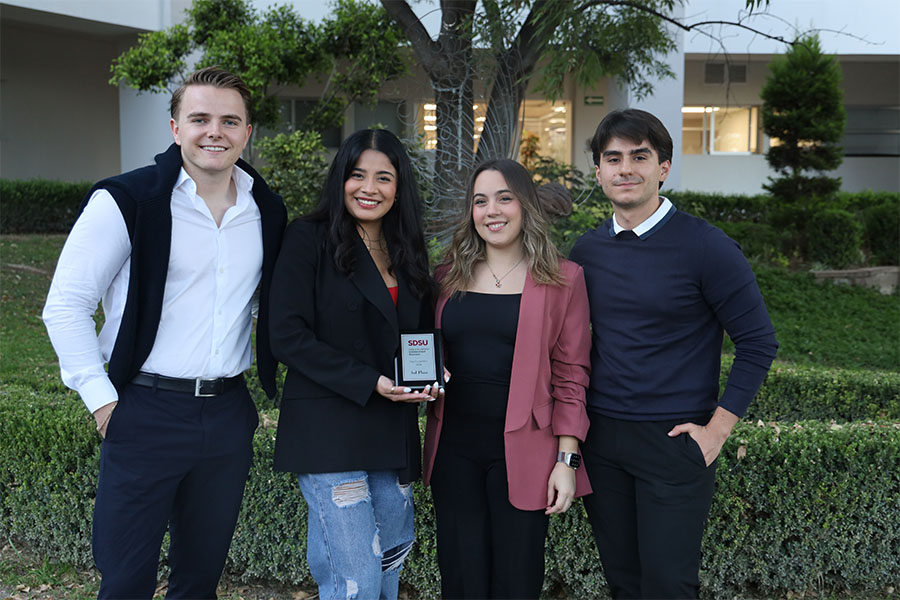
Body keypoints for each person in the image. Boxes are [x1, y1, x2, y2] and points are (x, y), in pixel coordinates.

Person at [42, 67, 287, 598]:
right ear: (175, 127)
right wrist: (103, 402)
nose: (214, 131)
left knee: (199, 579)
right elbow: (65, 306)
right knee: (126, 578)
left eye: (229, 120)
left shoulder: (265, 209)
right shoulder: (127, 201)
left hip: (226, 415)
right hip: (144, 411)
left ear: (248, 132)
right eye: (199, 118)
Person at [569, 108, 779, 599]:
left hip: (675, 441)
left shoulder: (707, 247)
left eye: (639, 157)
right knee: (624, 582)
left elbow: (758, 341)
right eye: (613, 158)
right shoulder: (587, 251)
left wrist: (717, 432)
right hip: (603, 441)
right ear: (598, 171)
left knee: (668, 585)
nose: (626, 169)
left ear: (663, 167)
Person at [269, 128, 440, 600]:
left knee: (389, 564)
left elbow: (416, 334)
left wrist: (431, 371)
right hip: (330, 428)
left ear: (399, 186)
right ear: (340, 179)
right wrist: (372, 381)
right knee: (355, 580)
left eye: (384, 177)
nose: (369, 188)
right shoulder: (308, 238)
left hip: (391, 428)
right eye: (357, 175)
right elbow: (286, 336)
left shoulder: (407, 247)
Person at [423, 158, 592, 599]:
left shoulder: (563, 279)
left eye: (504, 198)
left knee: (516, 580)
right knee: (459, 576)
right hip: (453, 448)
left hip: (526, 450)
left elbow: (572, 374)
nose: (492, 210)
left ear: (526, 206)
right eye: (480, 201)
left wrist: (567, 460)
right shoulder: (446, 276)